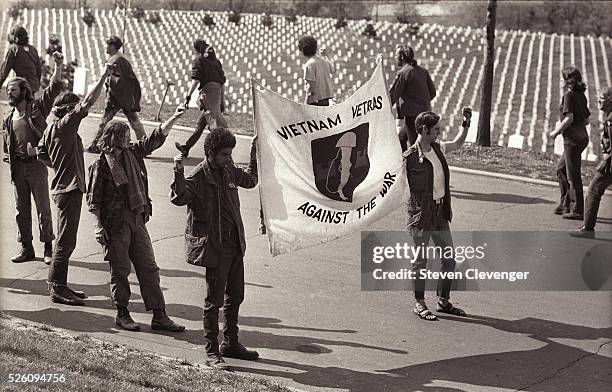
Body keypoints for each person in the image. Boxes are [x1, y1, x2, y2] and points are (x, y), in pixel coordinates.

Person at [86, 106, 187, 332]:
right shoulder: (101, 165)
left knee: (148, 268)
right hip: (115, 224)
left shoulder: (133, 154)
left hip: (137, 219)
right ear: (113, 138)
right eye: (124, 136)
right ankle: (122, 313)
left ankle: (159, 315)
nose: (129, 139)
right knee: (120, 270)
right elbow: (94, 199)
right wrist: (98, 226)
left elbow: (155, 139)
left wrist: (175, 116)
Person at [170, 128, 258, 370]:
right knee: (214, 301)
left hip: (234, 244)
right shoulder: (199, 176)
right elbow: (179, 198)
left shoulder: (229, 169)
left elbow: (250, 181)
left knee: (236, 296)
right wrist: (178, 173)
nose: (228, 158)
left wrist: (254, 152)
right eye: (223, 155)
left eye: (230, 154)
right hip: (214, 247)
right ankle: (211, 351)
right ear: (209, 153)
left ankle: (230, 343)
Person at [33, 64, 112, 305]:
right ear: (67, 111)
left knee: (66, 241)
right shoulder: (66, 125)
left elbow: (40, 154)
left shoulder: (50, 130)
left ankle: (60, 284)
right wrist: (103, 77)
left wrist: (58, 166)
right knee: (66, 242)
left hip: (62, 188)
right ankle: (57, 287)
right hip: (69, 190)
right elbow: (87, 102)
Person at [405, 107, 472, 321]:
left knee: (449, 258)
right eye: (436, 130)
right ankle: (419, 303)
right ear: (424, 130)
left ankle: (443, 301)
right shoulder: (409, 158)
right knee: (420, 261)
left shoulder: (438, 148)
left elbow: (458, 143)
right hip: (421, 215)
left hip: (440, 212)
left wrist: (466, 123)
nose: (439, 133)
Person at [2, 51, 64, 264]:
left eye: (12, 90)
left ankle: (48, 248)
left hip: (36, 166)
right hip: (17, 169)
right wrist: (11, 157)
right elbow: (6, 147)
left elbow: (54, 89)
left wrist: (58, 65)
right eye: (7, 90)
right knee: (21, 210)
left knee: (43, 208)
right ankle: (26, 248)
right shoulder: (9, 119)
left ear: (23, 91)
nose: (9, 93)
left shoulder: (36, 109)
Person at [85, 35, 146, 153]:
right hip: (124, 96)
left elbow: (117, 81)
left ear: (113, 46)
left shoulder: (116, 60)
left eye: (108, 45)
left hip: (118, 97)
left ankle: (96, 145)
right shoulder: (119, 58)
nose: (106, 47)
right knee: (133, 121)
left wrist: (108, 75)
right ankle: (144, 146)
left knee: (105, 122)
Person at [549, 67, 591, 220]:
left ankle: (578, 210)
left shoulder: (568, 95)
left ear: (568, 81)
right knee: (561, 169)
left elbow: (569, 118)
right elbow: (586, 120)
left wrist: (556, 132)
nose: (560, 80)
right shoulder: (581, 96)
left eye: (562, 78)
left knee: (573, 175)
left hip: (572, 140)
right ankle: (565, 203)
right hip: (582, 137)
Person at [175, 39, 228, 158]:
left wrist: (188, 96)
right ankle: (187, 147)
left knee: (213, 123)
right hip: (216, 93)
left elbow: (196, 80)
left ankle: (223, 150)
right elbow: (222, 82)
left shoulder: (199, 60)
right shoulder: (216, 62)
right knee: (202, 123)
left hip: (208, 93)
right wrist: (222, 100)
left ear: (196, 49)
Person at [572, 87, 612, 238]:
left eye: (601, 99)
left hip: (610, 165)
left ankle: (588, 229)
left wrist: (606, 161)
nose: (598, 102)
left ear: (610, 100)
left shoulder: (611, 119)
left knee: (593, 191)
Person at [390, 45, 436, 151]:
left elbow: (394, 94)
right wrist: (421, 102)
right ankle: (404, 161)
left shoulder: (404, 73)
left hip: (412, 116)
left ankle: (413, 166)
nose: (394, 57)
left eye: (396, 55)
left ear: (402, 57)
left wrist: (382, 108)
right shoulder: (423, 71)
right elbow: (432, 92)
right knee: (401, 138)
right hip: (425, 114)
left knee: (414, 145)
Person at [0, 26, 42, 94]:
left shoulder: (14, 50)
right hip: (34, 87)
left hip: (22, 86)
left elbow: (4, 72)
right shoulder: (33, 49)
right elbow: (39, 71)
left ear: (16, 38)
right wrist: (36, 85)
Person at [298, 35, 335, 106]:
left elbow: (311, 87)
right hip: (325, 98)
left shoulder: (309, 64)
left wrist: (306, 103)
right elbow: (333, 70)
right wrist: (326, 55)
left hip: (315, 100)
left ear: (303, 50)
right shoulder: (323, 61)